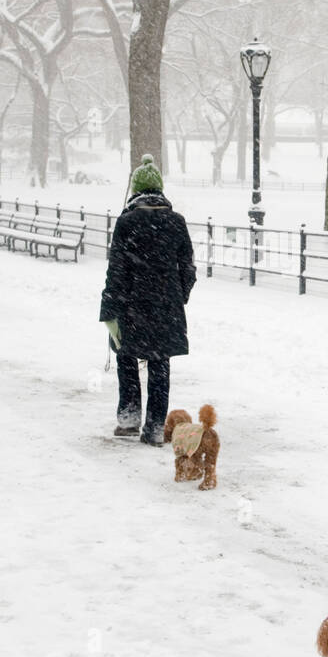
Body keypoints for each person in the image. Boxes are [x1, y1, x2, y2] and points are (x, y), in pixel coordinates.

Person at [99, 154, 196, 445]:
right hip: (166, 307)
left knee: (126, 359)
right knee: (159, 366)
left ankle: (128, 419)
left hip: (131, 306)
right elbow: (188, 268)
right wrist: (178, 295)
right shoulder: (176, 223)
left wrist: (110, 310)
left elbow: (115, 270)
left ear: (136, 191)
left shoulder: (126, 223)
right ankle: (155, 427)